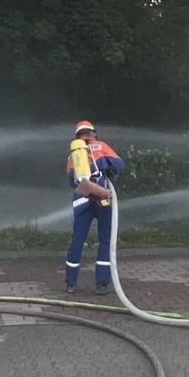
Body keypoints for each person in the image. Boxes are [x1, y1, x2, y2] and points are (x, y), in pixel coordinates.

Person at [63, 120, 126, 294]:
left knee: (77, 241)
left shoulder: (72, 155)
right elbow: (120, 165)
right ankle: (102, 284)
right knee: (105, 240)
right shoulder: (101, 146)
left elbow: (72, 182)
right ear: (93, 133)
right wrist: (108, 171)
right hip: (102, 200)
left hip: (82, 202)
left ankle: (70, 283)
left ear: (77, 136)